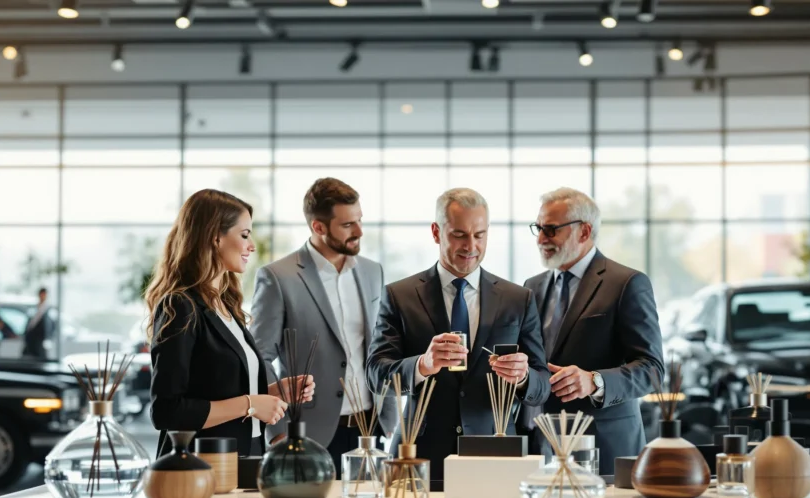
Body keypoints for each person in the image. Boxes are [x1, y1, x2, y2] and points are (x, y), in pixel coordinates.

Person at [367, 188, 550, 480]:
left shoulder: (519, 299)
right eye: (459, 235)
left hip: (496, 454)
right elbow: (376, 375)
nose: (471, 246)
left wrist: (524, 376)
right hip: (419, 454)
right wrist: (422, 365)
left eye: (480, 235)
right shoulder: (398, 296)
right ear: (436, 232)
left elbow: (543, 385)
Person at [146, 189, 312, 458]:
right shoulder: (180, 305)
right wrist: (249, 404)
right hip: (199, 468)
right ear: (214, 237)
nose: (252, 245)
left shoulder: (226, 305)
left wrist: (275, 392)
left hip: (244, 460)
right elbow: (166, 411)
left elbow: (220, 389)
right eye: (244, 234)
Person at [251, 177, 398, 472]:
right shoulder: (278, 277)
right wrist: (276, 428)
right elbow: (259, 358)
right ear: (318, 227)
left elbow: (382, 345)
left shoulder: (372, 272)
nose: (359, 231)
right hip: (306, 431)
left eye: (359, 220)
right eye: (347, 225)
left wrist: (394, 422)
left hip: (373, 428)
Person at [519, 188, 664, 475]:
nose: (540, 239)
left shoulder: (627, 283)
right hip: (538, 443)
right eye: (538, 228)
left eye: (550, 230)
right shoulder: (531, 287)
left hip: (604, 445)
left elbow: (652, 369)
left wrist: (594, 381)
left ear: (584, 232)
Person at [22, 287, 55, 359]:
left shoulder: (48, 309)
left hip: (40, 341)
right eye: (41, 294)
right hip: (31, 340)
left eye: (44, 295)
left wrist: (48, 338)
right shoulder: (34, 308)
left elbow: (50, 326)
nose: (42, 296)